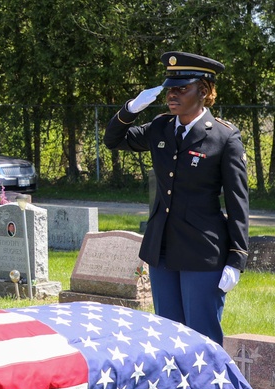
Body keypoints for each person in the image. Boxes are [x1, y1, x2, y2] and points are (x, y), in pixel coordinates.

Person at [104, 51, 248, 344]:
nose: (173, 94)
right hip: (162, 247)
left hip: (202, 251)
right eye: (170, 88)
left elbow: (237, 201)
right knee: (166, 335)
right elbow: (113, 140)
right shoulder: (161, 126)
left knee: (201, 337)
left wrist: (237, 258)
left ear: (204, 91)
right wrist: (131, 108)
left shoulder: (223, 137)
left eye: (182, 88)